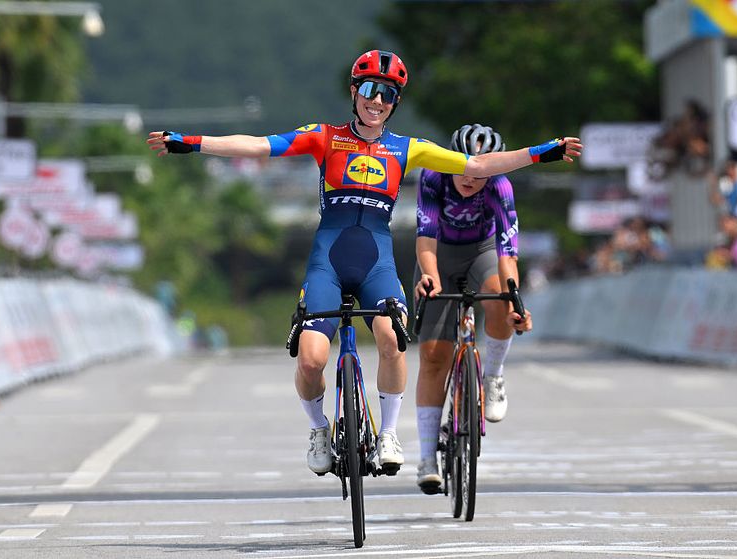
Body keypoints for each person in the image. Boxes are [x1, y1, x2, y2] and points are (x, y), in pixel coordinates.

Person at [147, 50, 582, 477]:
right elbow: (260, 147)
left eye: (389, 95)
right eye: (371, 90)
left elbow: (481, 163)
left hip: (377, 260)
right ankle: (319, 430)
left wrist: (543, 152)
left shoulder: (408, 148)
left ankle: (389, 434)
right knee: (311, 359)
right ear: (354, 92)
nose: (378, 101)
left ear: (395, 104)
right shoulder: (324, 136)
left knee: (393, 338)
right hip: (328, 261)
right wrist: (192, 143)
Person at [412, 123, 579, 493]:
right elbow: (424, 239)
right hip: (437, 254)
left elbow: (508, 257)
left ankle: (494, 375)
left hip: (483, 252)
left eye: (483, 171)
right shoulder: (433, 178)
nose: (473, 178)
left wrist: (515, 300)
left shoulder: (500, 186)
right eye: (466, 168)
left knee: (500, 298)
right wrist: (431, 276)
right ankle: (426, 457)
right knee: (434, 357)